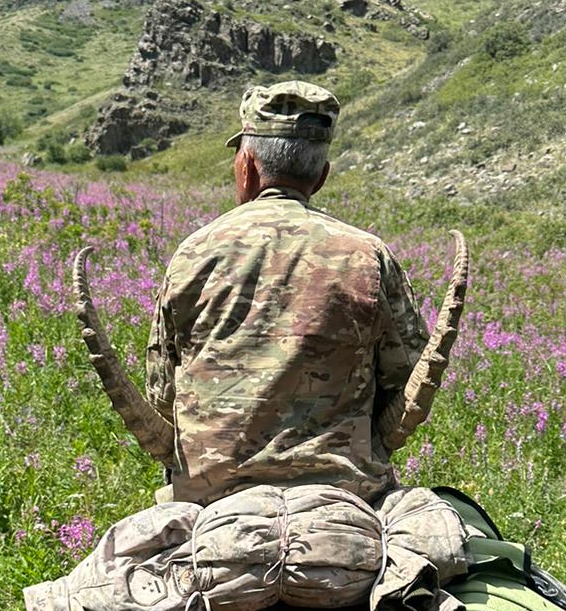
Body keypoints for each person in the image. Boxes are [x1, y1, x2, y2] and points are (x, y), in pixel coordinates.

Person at [144, 81, 431, 506]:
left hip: (209, 499)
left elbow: (161, 394)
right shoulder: (367, 255)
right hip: (344, 496)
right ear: (321, 177)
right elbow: (407, 375)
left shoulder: (194, 254)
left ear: (247, 167)